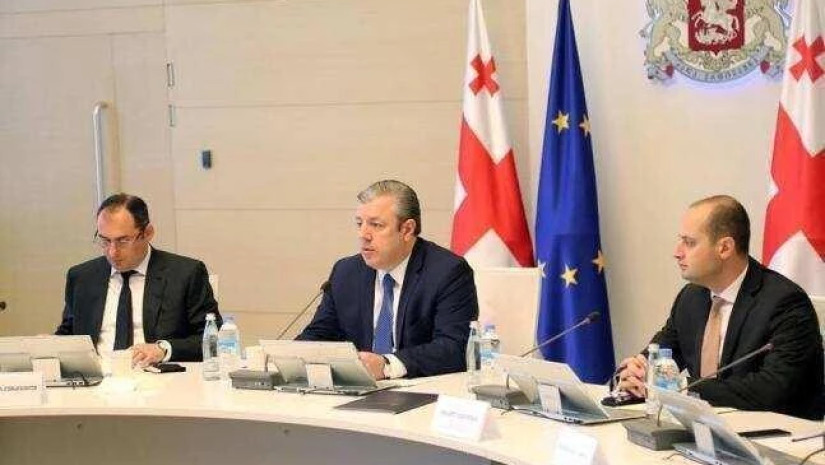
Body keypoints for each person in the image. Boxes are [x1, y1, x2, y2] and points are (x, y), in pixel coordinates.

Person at [617, 195, 823, 420]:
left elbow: (771, 389)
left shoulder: (785, 302)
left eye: (689, 242)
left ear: (724, 248)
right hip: (705, 429)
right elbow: (660, 356)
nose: (677, 252)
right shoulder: (691, 298)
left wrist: (680, 387)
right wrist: (636, 372)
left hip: (777, 433)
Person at [297, 180, 479, 379]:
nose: (363, 235)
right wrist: (288, 357)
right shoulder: (346, 272)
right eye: (359, 223)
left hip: (420, 388)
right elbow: (319, 334)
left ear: (407, 229)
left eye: (376, 225)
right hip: (357, 389)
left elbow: (455, 348)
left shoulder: (447, 272)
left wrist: (387, 366)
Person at [55, 193, 220, 365]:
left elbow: (213, 339)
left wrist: (163, 349)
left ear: (147, 233)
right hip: (97, 377)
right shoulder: (82, 277)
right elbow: (70, 333)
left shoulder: (185, 274)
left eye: (123, 241)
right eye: (105, 241)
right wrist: (48, 345)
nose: (112, 252)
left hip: (156, 375)